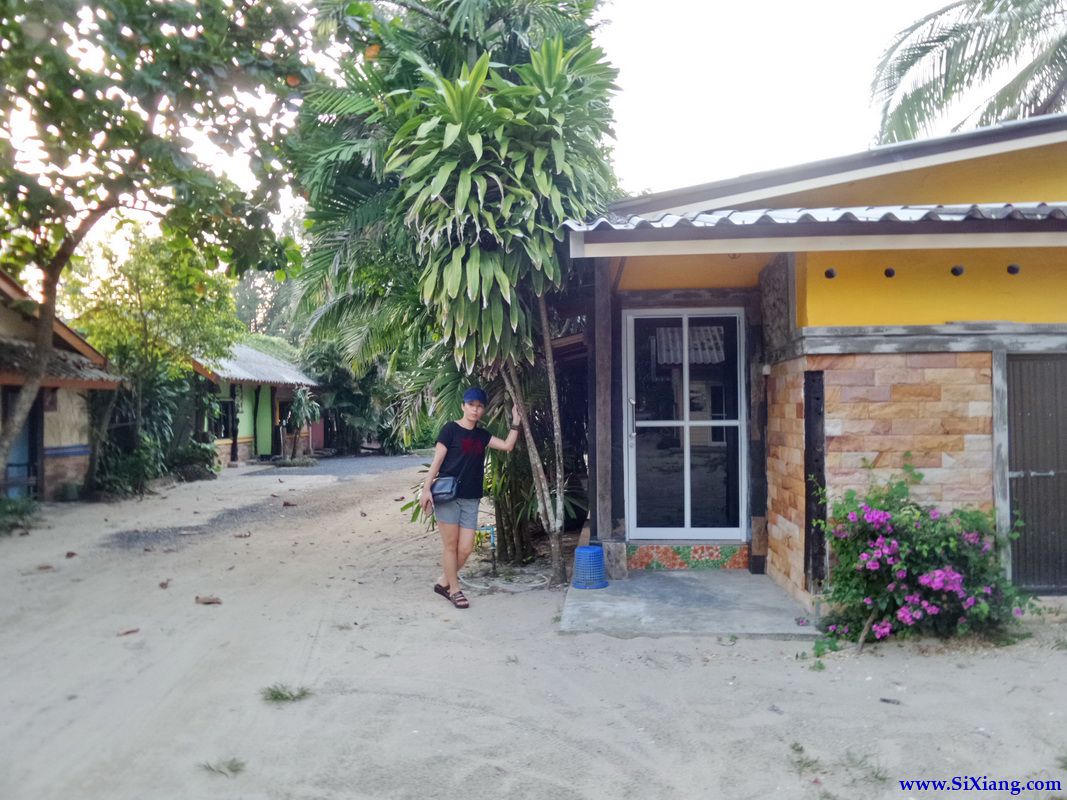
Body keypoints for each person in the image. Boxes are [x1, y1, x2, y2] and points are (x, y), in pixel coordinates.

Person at [420, 387, 521, 609]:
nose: (475, 410)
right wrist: (426, 489)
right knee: (450, 545)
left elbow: (507, 445)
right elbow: (436, 462)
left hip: (471, 498)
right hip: (447, 496)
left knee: (465, 548)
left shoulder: (482, 435)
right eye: (471, 405)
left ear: (482, 410)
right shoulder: (450, 430)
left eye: (479, 406)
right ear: (463, 406)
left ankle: (443, 582)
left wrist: (516, 421)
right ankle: (454, 590)